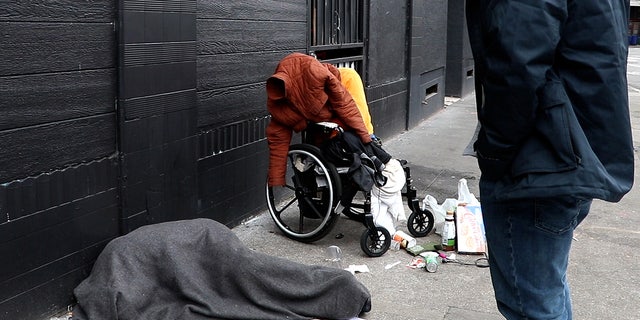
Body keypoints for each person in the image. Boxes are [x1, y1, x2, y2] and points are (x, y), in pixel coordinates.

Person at [465, 1, 634, 319]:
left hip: (541, 159)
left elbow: (517, 57)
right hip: (572, 149)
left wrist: (495, 150)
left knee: (533, 304)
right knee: (546, 293)